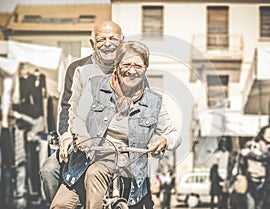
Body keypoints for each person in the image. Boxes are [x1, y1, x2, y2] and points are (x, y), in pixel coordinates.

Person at [50, 41, 181, 209]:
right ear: (117, 66)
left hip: (127, 162)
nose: (132, 71)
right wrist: (82, 136)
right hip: (86, 158)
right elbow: (78, 118)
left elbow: (174, 134)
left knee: (96, 172)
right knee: (59, 205)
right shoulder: (94, 86)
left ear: (145, 68)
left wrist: (164, 140)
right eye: (127, 64)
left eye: (138, 66)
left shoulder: (154, 101)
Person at [39, 20, 124, 202]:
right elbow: (67, 106)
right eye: (102, 39)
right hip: (82, 142)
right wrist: (67, 137)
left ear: (121, 42)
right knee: (49, 169)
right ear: (92, 44)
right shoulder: (77, 68)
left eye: (113, 38)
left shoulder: (130, 68)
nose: (107, 43)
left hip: (116, 145)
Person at [243, 125, 270, 209]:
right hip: (251, 179)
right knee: (251, 205)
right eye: (269, 133)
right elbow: (242, 160)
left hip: (265, 180)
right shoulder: (252, 145)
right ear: (262, 134)